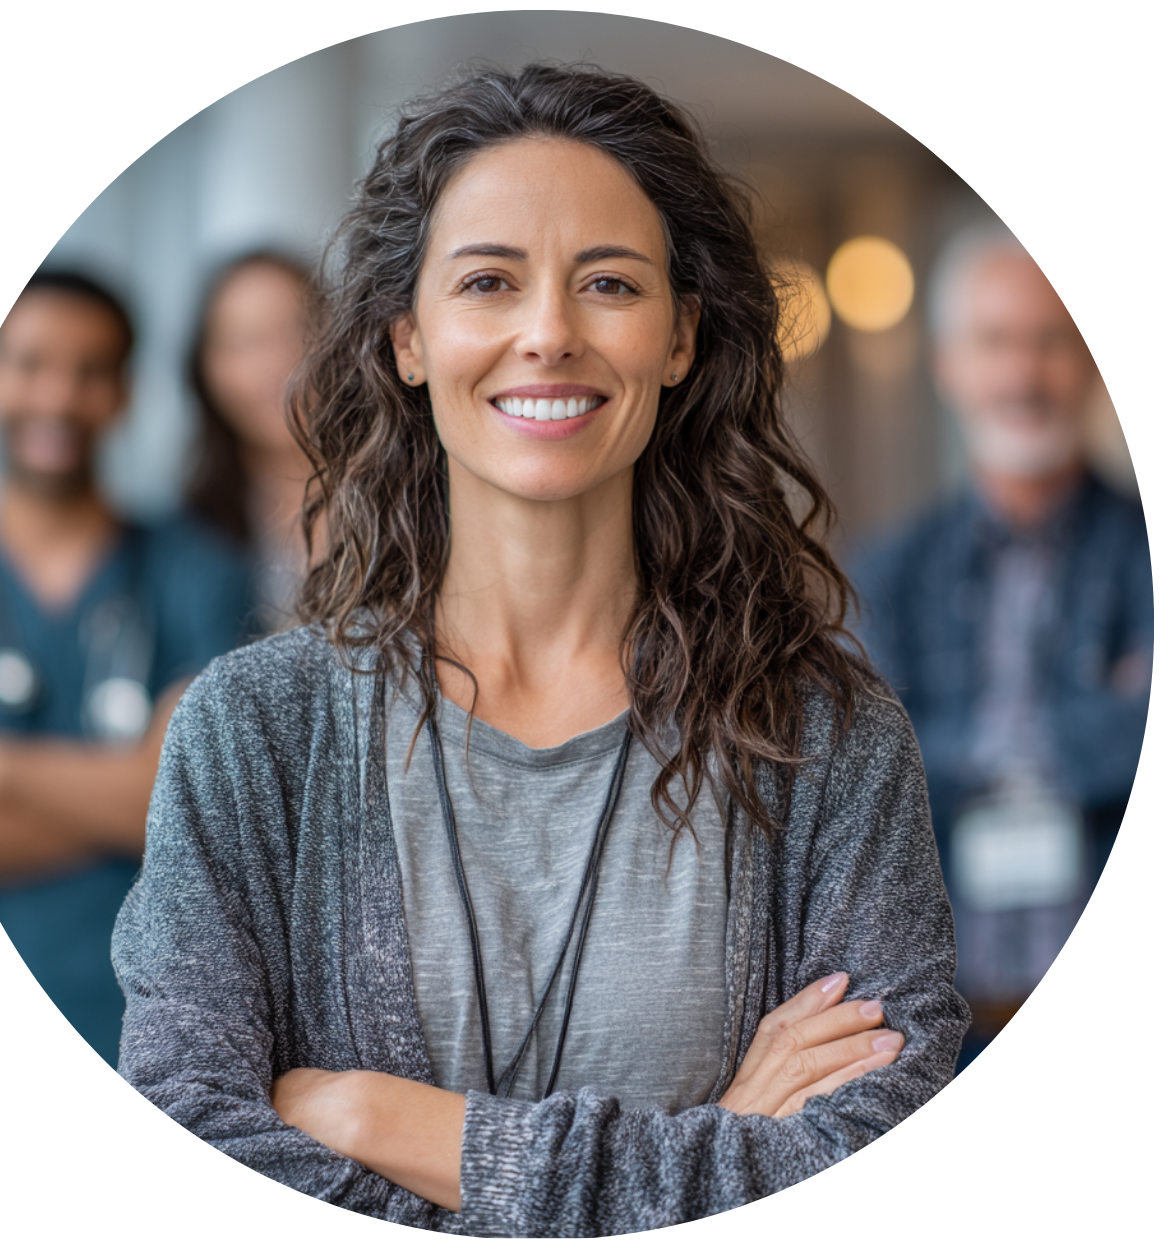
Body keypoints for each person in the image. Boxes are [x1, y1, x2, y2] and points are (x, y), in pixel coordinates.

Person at [112, 64, 970, 1233]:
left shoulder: (824, 735)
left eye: (608, 282)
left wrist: (397, 1125)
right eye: (488, 281)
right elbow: (186, 1111)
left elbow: (874, 1122)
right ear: (408, 338)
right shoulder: (253, 729)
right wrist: (716, 1145)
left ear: (678, 336)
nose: (549, 333)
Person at [0, 269, 253, 1068]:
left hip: (159, 1043)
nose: (59, 397)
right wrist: (117, 800)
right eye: (31, 363)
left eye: (90, 371)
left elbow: (194, 803)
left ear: (124, 393)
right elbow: (154, 806)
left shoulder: (200, 574)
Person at [850, 224, 1151, 1071]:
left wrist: (950, 739)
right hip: (933, 1032)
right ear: (950, 364)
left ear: (1088, 361)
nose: (1023, 373)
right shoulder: (885, 571)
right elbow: (870, 767)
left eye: (1049, 340)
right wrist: (1093, 722)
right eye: (995, 342)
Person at [185, 249, 314, 634]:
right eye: (246, 341)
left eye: (300, 330)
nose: (278, 363)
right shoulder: (190, 532)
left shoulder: (409, 497)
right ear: (204, 370)